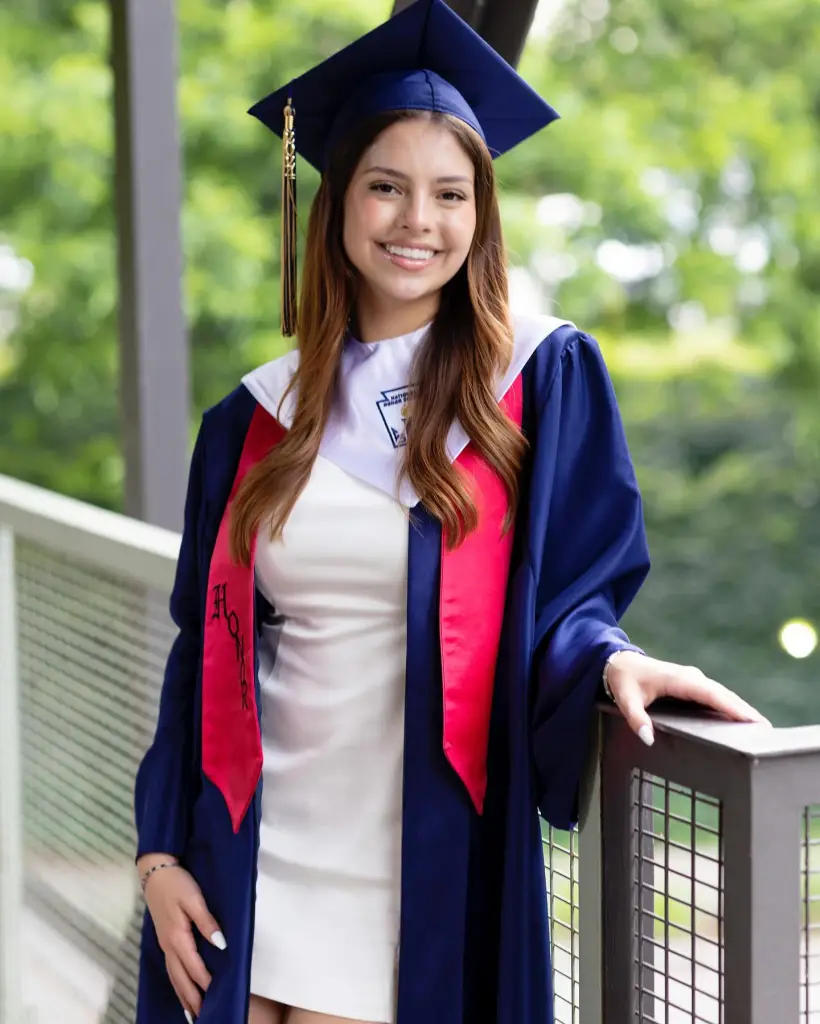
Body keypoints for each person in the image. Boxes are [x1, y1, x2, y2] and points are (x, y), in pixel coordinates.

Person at [133, 2, 768, 1022]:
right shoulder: (251, 420)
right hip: (247, 850)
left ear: (482, 216)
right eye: (385, 187)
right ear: (337, 202)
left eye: (449, 193)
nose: (415, 221)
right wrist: (158, 849)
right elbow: (198, 657)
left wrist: (609, 659)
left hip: (415, 868)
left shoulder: (537, 381)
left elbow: (570, 590)